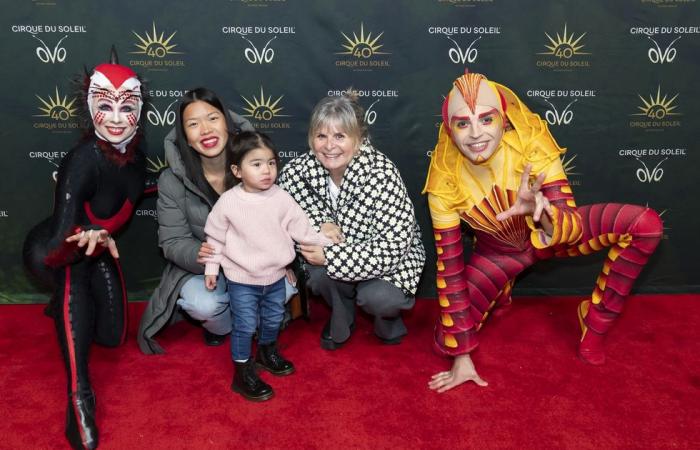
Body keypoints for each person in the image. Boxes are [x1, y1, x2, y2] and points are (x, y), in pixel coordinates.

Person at [424, 70, 663, 393]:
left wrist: (543, 215)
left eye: (486, 119)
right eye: (463, 123)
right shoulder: (444, 178)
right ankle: (501, 292)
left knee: (646, 226)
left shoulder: (530, 141)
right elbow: (449, 268)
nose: (476, 133)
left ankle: (593, 320)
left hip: (554, 238)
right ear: (450, 130)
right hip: (498, 256)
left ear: (504, 119)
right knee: (444, 342)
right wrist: (462, 358)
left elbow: (571, 224)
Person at [22, 50, 154, 449]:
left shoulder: (136, 159)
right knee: (73, 272)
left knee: (113, 337)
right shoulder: (82, 160)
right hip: (53, 251)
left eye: (126, 107)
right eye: (105, 106)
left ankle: (58, 311)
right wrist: (90, 237)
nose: (116, 118)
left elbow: (133, 193)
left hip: (98, 248)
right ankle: (79, 398)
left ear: (140, 110)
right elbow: (60, 244)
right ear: (90, 108)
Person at [278, 91, 426, 350]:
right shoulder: (296, 172)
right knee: (320, 275)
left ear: (358, 140)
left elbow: (393, 248)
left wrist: (332, 257)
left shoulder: (382, 173)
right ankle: (341, 318)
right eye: (321, 135)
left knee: (380, 298)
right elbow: (285, 214)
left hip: (389, 260)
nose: (328, 145)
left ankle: (387, 321)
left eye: (339, 136)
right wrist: (318, 223)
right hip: (334, 254)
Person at [203, 131, 338, 401]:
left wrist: (328, 240)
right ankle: (242, 372)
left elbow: (302, 230)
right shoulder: (229, 201)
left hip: (276, 278)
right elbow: (214, 237)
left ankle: (266, 353)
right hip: (242, 280)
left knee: (274, 319)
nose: (267, 170)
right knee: (244, 325)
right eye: (256, 164)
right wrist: (211, 269)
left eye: (272, 163)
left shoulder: (282, 198)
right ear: (236, 170)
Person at [137, 87, 268, 353]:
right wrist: (205, 254)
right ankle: (224, 326)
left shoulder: (258, 165)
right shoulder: (172, 180)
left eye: (212, 118)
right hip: (205, 268)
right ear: (185, 135)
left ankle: (248, 319)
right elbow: (173, 241)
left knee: (285, 291)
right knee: (203, 304)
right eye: (193, 124)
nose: (205, 130)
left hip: (256, 264)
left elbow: (278, 220)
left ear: (228, 123)